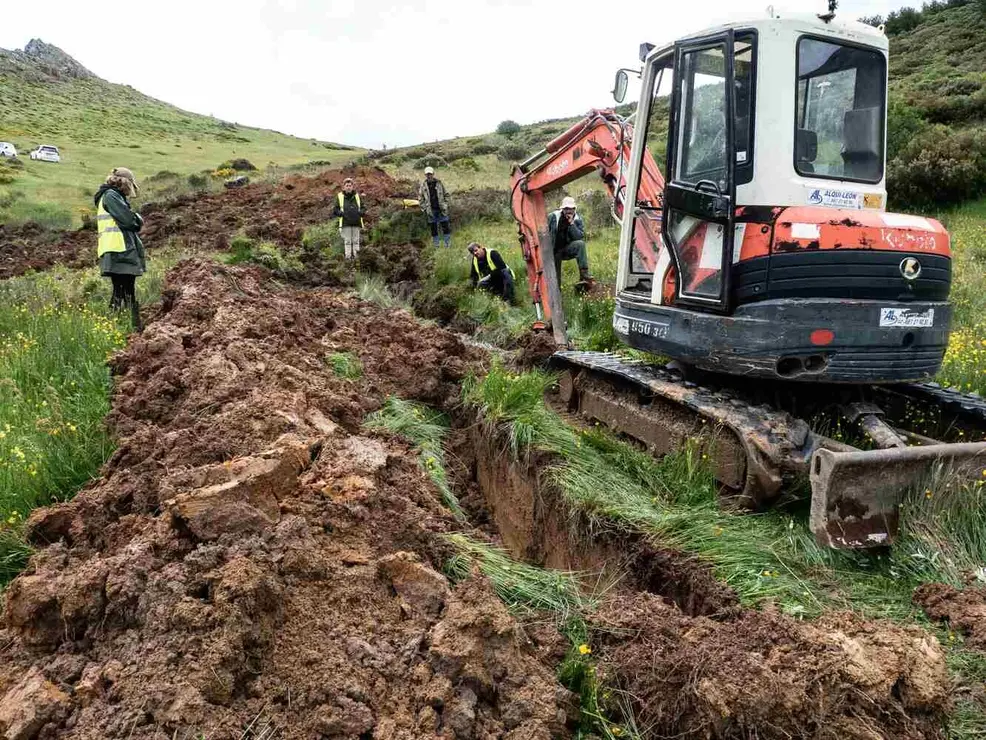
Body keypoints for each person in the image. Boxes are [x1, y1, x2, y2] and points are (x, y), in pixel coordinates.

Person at [95, 167, 146, 331]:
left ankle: (118, 326)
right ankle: (132, 326)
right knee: (124, 290)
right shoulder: (111, 196)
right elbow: (129, 221)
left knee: (122, 289)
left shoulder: (110, 195)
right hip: (119, 249)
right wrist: (138, 218)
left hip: (115, 248)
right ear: (124, 182)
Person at [547, 196, 594, 288]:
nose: (568, 211)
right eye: (566, 208)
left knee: (580, 244)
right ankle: (556, 296)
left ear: (574, 209)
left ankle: (584, 275)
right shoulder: (553, 216)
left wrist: (571, 223)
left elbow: (579, 236)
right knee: (556, 279)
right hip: (554, 250)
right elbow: (544, 232)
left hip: (566, 249)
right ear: (562, 209)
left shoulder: (577, 219)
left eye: (571, 209)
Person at [332, 177, 366, 260]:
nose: (348, 187)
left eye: (350, 185)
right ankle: (348, 258)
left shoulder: (357, 196)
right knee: (347, 241)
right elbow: (335, 209)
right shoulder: (340, 196)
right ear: (344, 187)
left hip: (356, 222)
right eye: (347, 185)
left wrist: (361, 213)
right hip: (345, 222)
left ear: (352, 187)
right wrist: (341, 214)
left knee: (356, 241)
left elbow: (363, 207)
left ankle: (356, 258)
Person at [419, 166, 452, 248]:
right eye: (427, 174)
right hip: (431, 211)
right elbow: (420, 198)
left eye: (430, 174)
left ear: (433, 174)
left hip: (441, 210)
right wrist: (425, 209)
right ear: (425, 175)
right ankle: (436, 245)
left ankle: (447, 244)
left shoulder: (439, 183)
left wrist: (445, 205)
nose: (429, 176)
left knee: (446, 227)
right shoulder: (423, 186)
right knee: (433, 229)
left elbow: (447, 195)